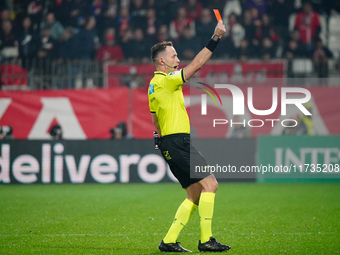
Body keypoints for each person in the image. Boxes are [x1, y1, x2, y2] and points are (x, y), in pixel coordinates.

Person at [148, 20, 231, 252]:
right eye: (174, 56)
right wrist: (216, 38)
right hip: (178, 141)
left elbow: (155, 119)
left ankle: (169, 241)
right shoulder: (166, 81)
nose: (178, 59)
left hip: (168, 142)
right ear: (162, 61)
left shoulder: (153, 86)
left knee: (194, 194)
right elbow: (196, 66)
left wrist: (160, 137)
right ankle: (206, 240)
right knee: (211, 184)